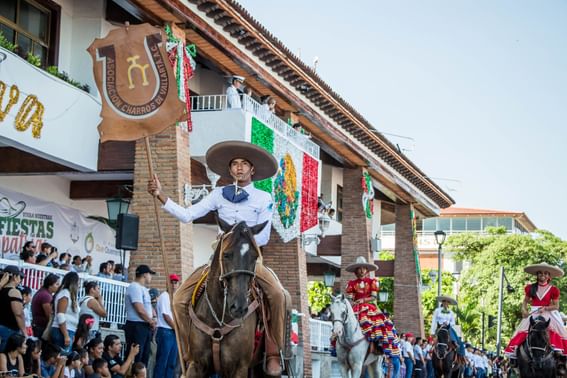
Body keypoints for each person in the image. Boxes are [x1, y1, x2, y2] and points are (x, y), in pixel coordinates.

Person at [148, 140, 290, 376]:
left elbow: (263, 236)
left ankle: (274, 353)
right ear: (230, 169)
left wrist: (241, 237)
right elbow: (187, 214)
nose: (240, 168)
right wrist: (162, 196)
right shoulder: (217, 195)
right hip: (219, 258)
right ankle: (188, 352)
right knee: (179, 299)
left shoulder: (264, 198)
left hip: (248, 258)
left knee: (278, 295)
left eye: (245, 164)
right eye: (235, 164)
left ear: (252, 170)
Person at [505, 262, 567, 362]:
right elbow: (525, 301)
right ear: (537, 275)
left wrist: (546, 308)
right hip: (533, 312)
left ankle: (559, 355)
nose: (543, 275)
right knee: (521, 330)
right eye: (540, 273)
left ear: (549, 276)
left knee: (559, 329)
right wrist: (524, 310)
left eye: (546, 273)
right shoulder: (530, 288)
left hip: (547, 312)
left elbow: (556, 306)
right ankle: (516, 356)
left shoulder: (553, 290)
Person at [341, 256, 401, 357]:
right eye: (359, 268)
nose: (361, 271)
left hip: (369, 306)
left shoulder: (372, 281)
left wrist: (363, 300)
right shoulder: (351, 283)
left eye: (363, 268)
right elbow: (351, 297)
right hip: (356, 306)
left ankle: (377, 346)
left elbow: (373, 297)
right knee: (344, 322)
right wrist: (352, 301)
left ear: (367, 270)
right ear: (355, 271)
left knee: (377, 324)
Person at [124, 265, 155, 366]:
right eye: (150, 274)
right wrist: (150, 321)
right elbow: (139, 309)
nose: (151, 277)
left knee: (144, 357)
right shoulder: (135, 287)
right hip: (136, 325)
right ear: (145, 274)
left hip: (144, 325)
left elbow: (146, 308)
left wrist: (152, 318)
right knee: (136, 357)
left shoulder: (143, 289)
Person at [153, 274, 179, 378]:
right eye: (171, 282)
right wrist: (178, 329)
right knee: (162, 362)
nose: (173, 285)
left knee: (171, 363)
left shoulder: (175, 298)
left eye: (175, 283)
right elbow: (166, 316)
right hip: (165, 331)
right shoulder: (164, 296)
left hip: (172, 332)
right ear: (167, 283)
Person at [51, 271, 80, 353]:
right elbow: (60, 315)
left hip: (68, 330)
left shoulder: (70, 295)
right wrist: (66, 335)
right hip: (62, 331)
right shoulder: (65, 294)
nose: (79, 285)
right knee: (63, 357)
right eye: (78, 282)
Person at [0, 265, 27, 349]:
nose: (20, 279)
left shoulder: (1, 289)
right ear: (15, 277)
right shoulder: (14, 292)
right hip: (9, 329)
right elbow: (19, 314)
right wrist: (24, 332)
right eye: (19, 276)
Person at [32, 273, 60, 338]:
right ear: (50, 285)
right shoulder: (46, 296)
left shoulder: (43, 292)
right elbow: (49, 315)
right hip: (41, 327)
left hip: (37, 326)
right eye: (57, 284)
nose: (59, 286)